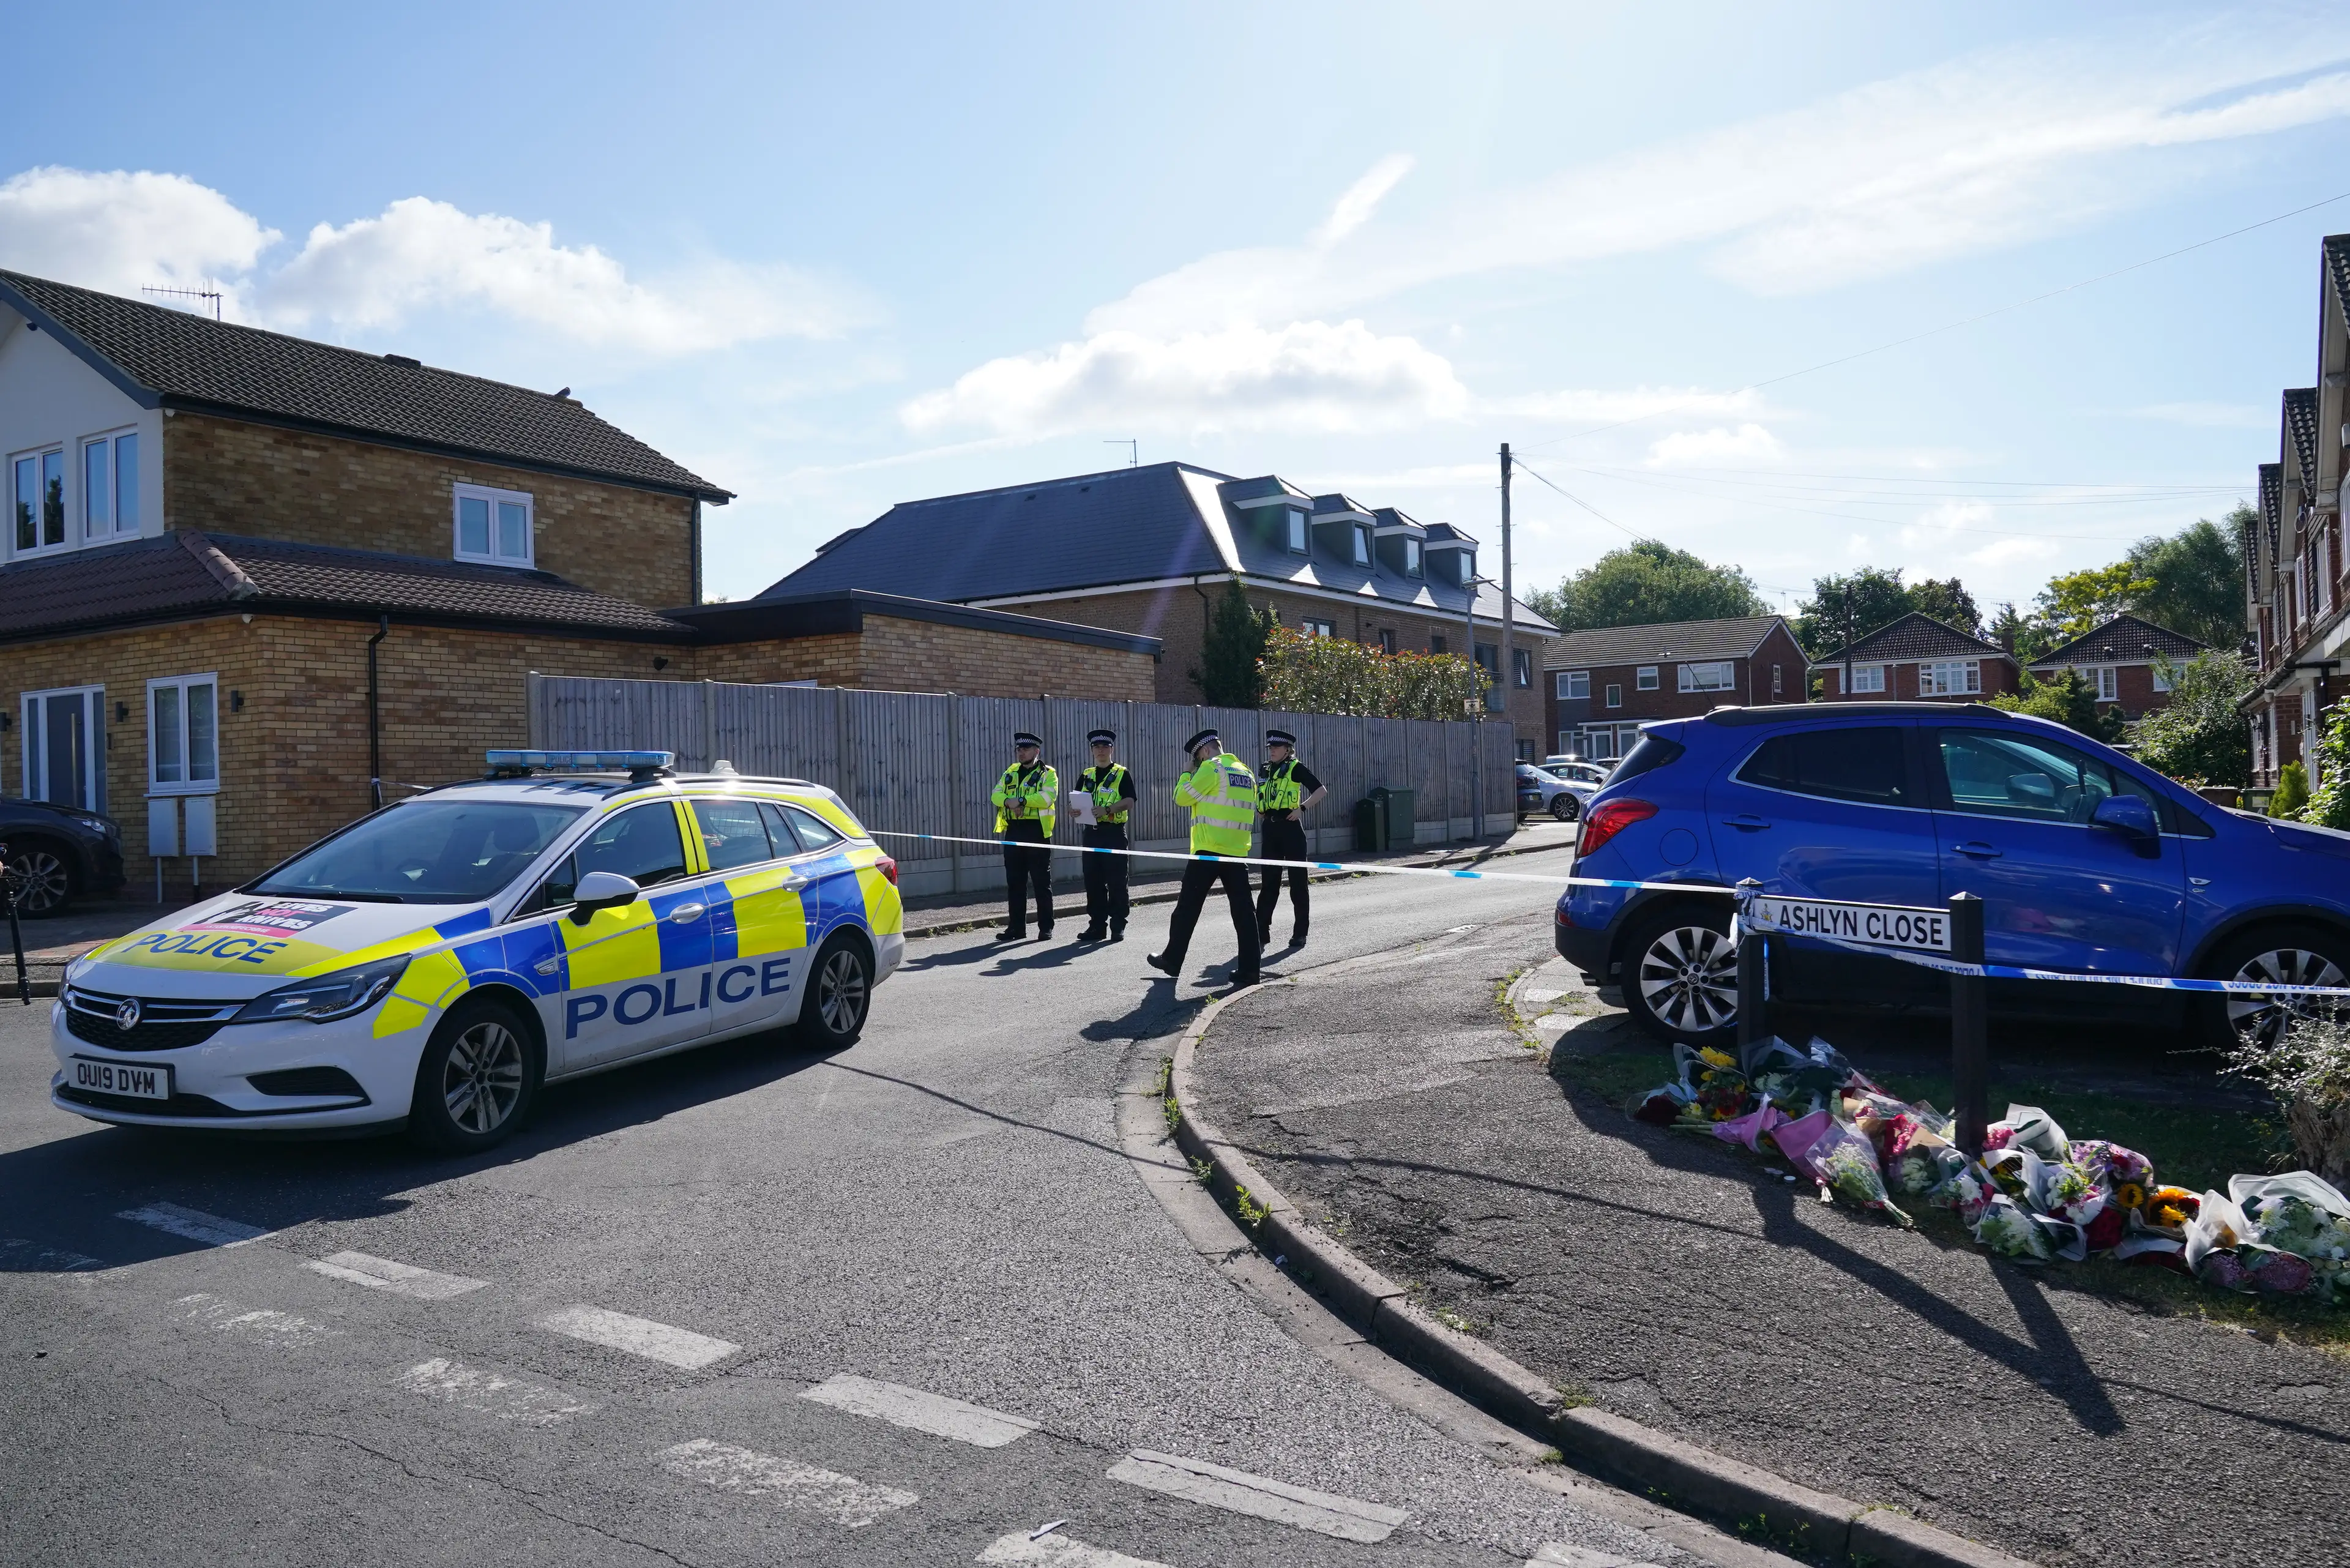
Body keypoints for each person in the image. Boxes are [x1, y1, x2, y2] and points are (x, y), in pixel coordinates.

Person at [1147, 728, 1261, 987]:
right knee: (1244, 913)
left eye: (1198, 757)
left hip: (1209, 849)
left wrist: (1188, 772)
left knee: (1187, 909)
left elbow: (1181, 797)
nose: (1198, 762)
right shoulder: (1246, 771)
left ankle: (1172, 960)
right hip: (1236, 850)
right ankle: (1250, 970)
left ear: (1206, 750)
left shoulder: (1212, 768)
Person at [1254, 728, 1327, 950]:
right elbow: (1263, 794)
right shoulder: (1266, 769)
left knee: (1297, 884)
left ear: (1288, 750)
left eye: (1276, 748)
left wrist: (1302, 809)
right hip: (1270, 828)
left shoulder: (1296, 768)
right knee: (1269, 884)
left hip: (1291, 829)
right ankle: (1261, 932)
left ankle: (1300, 933)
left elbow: (1321, 791)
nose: (1272, 751)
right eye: (1271, 748)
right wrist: (1261, 809)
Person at [990, 731, 1057, 941]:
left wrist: (1019, 800)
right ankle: (1016, 928)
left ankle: (1046, 927)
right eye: (1019, 749)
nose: (1021, 752)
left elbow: (1046, 798)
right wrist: (1009, 801)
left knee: (1041, 882)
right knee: (1015, 883)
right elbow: (996, 795)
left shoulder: (1048, 773)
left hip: (1036, 831)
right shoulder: (1011, 771)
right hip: (1014, 830)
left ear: (1036, 751)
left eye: (1026, 749)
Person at [1073, 728, 1136, 943]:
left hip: (1113, 834)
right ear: (1092, 751)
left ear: (1112, 749)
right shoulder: (1086, 774)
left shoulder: (1121, 773)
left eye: (1105, 746)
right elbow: (1076, 799)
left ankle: (1118, 925)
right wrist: (1072, 810)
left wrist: (1108, 810)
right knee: (1093, 882)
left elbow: (1129, 802)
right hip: (1091, 834)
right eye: (1096, 747)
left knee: (1117, 881)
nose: (1101, 750)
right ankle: (1097, 926)